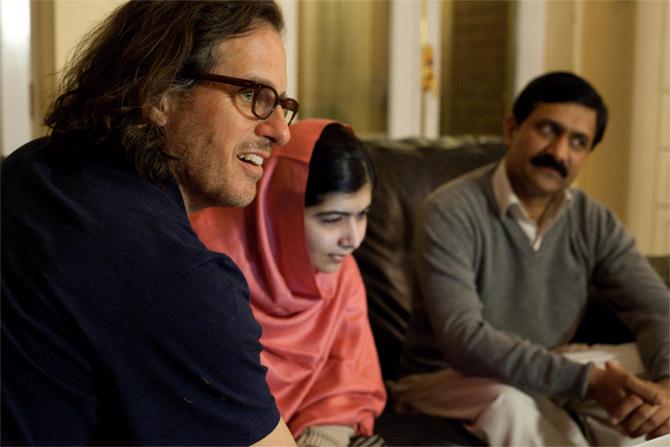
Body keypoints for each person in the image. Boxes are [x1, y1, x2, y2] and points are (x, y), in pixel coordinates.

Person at [1, 1, 299, 445]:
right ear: (159, 95)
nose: (281, 130)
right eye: (253, 96)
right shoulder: (176, 279)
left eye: (282, 104)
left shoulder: (33, 166)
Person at [390, 72, 670, 446]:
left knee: (643, 376)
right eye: (548, 130)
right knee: (510, 404)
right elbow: (463, 338)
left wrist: (666, 386)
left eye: (577, 142)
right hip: (445, 376)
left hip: (548, 364)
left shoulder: (593, 219)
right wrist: (588, 381)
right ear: (512, 129)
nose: (559, 152)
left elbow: (656, 307)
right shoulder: (449, 210)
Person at [189, 119, 387, 447]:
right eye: (332, 219)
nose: (352, 239)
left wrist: (326, 434)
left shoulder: (340, 273)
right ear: (278, 211)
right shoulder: (205, 263)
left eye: (362, 214)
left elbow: (349, 379)